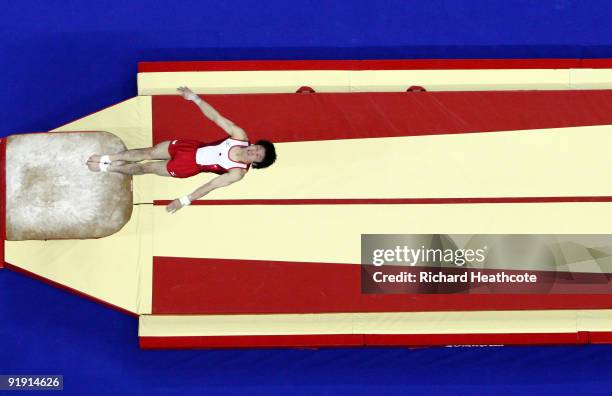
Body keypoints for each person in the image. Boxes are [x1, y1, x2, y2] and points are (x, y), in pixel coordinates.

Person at [87, 86, 277, 213]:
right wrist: (195, 98)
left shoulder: (237, 173)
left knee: (148, 167)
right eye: (257, 148)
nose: (254, 152)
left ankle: (107, 168)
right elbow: (216, 118)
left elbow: (211, 186)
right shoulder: (239, 136)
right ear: (254, 144)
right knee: (150, 152)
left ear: (256, 163)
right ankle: (108, 158)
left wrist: (184, 200)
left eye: (258, 156)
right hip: (190, 147)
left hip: (188, 166)